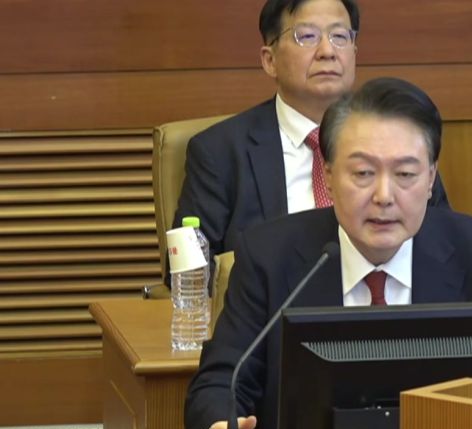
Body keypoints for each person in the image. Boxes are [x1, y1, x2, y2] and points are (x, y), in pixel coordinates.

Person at [183, 78, 472, 429]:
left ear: (430, 179)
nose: (384, 196)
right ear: (328, 176)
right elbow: (220, 383)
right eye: (363, 173)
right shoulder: (269, 256)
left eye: (405, 174)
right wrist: (220, 428)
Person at [172, 0, 449, 279]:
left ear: (354, 53)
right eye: (307, 36)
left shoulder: (403, 141)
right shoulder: (220, 152)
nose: (327, 51)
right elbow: (188, 273)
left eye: (339, 36)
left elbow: (443, 249)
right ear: (270, 60)